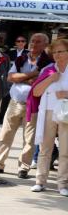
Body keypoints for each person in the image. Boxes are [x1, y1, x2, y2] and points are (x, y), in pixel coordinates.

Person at [0, 33, 52, 178]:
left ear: (45, 45)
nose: (33, 44)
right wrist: (32, 74)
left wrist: (22, 77)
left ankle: (23, 168)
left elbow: (39, 82)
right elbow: (10, 77)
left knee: (29, 139)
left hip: (34, 106)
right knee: (5, 134)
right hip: (15, 102)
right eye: (32, 41)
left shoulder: (48, 62)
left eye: (38, 41)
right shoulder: (22, 58)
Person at [29, 38, 68, 195]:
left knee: (65, 150)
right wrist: (51, 79)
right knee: (45, 148)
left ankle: (63, 184)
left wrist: (66, 94)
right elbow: (36, 92)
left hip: (66, 113)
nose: (57, 55)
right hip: (49, 111)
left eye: (61, 51)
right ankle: (40, 181)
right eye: (55, 52)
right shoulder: (48, 70)